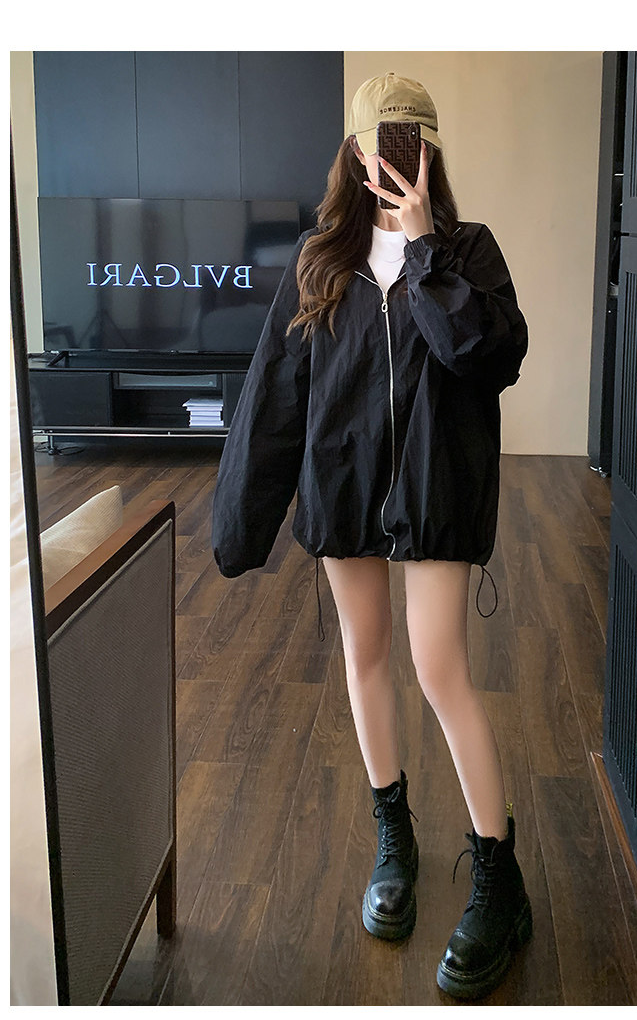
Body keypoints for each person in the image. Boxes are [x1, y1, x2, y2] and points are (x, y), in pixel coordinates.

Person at [212, 72, 531, 1000]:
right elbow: (275, 395)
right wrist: (242, 522)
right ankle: (395, 835)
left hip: (434, 492)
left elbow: (491, 355)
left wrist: (424, 246)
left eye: (410, 141)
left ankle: (500, 879)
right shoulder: (321, 259)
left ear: (429, 150)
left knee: (440, 670)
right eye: (380, 143)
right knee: (366, 656)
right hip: (345, 483)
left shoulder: (467, 251)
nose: (393, 157)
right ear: (354, 153)